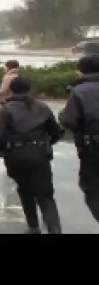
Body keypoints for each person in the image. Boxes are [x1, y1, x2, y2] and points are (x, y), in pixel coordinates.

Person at [0, 77, 64, 234]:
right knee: (45, 194)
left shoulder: (5, 110)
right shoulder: (42, 107)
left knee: (25, 190)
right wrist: (45, 144)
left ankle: (33, 227)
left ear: (11, 90)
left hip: (15, 156)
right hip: (39, 154)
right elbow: (57, 131)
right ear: (30, 89)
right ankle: (55, 229)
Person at [59, 55, 99, 223]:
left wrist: (62, 113)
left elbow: (69, 120)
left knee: (93, 190)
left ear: (81, 71)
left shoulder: (80, 91)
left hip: (93, 149)